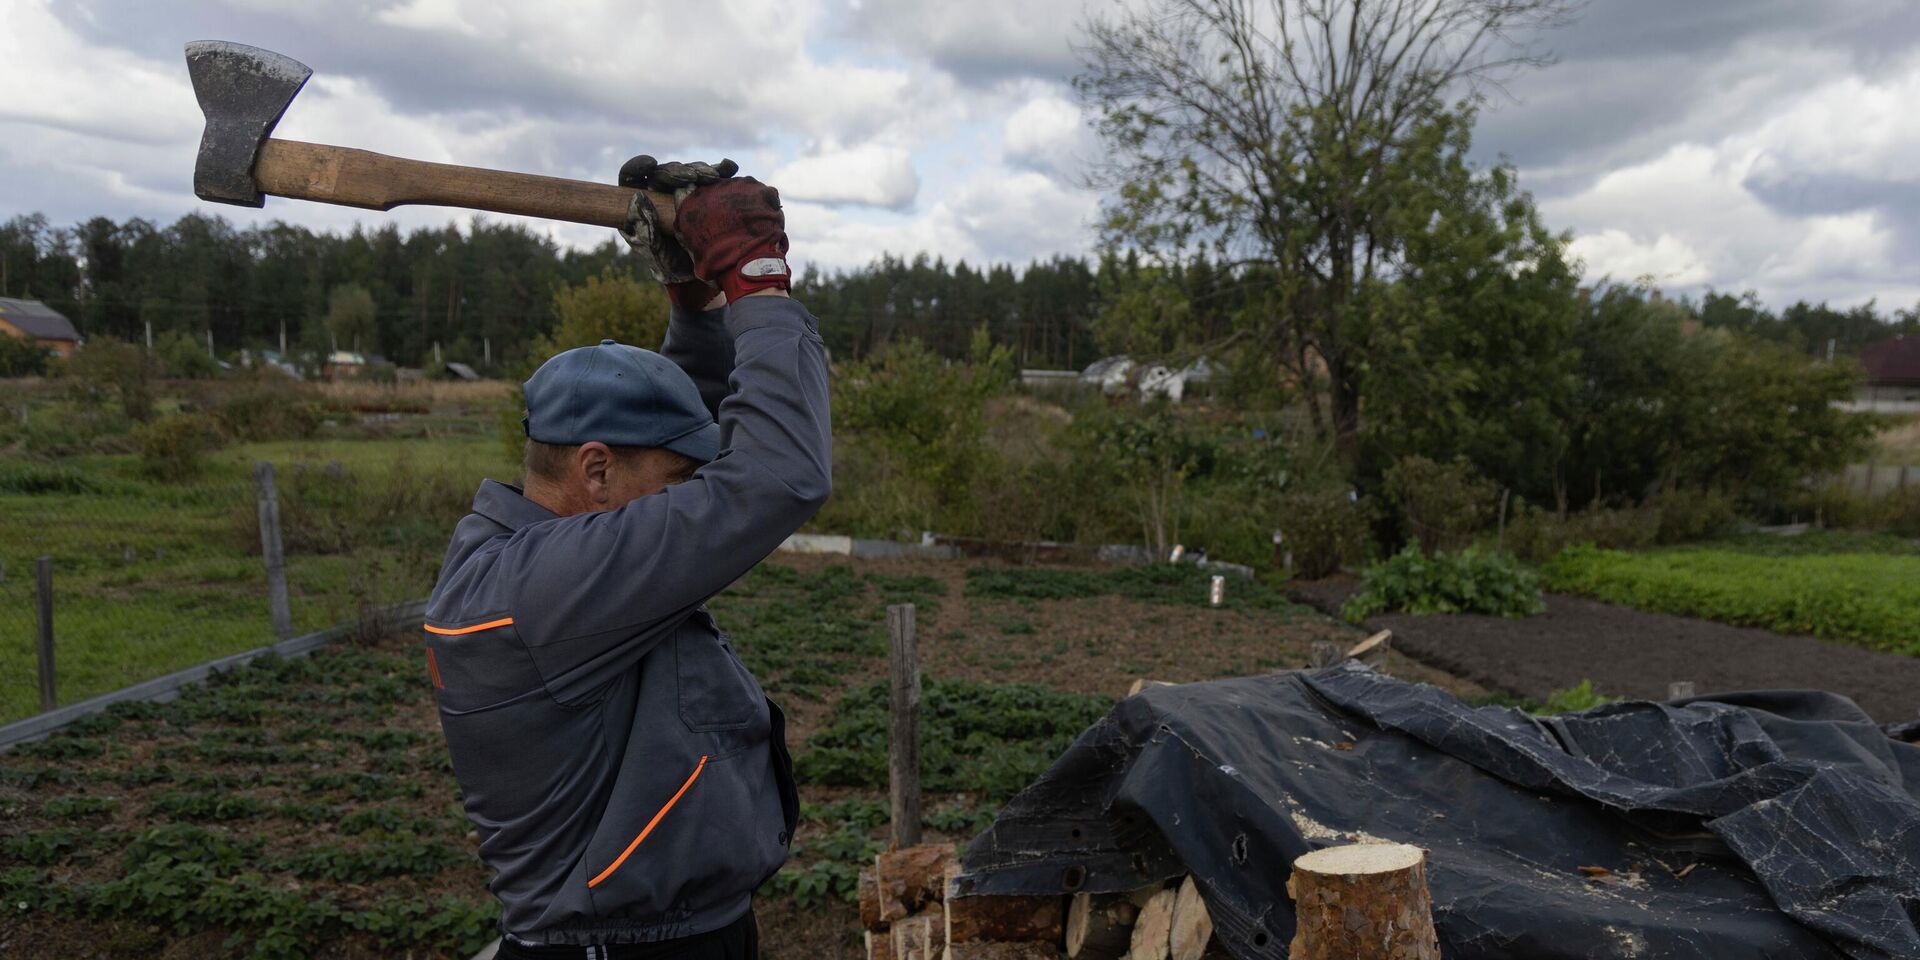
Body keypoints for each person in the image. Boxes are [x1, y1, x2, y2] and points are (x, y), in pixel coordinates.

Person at [422, 158, 830, 959]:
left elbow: (685, 437)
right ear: (597, 469)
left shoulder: (529, 547)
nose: (692, 496)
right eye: (679, 479)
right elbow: (780, 475)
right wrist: (758, 281)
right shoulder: (539, 593)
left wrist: (698, 299)